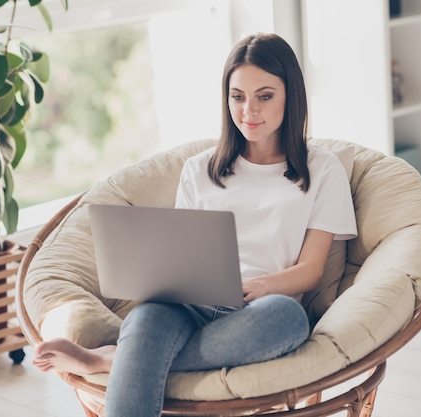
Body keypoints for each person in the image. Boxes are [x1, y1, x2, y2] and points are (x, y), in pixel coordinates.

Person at [32, 32, 357, 416]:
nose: (249, 110)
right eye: (237, 97)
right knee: (146, 316)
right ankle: (135, 347)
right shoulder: (199, 169)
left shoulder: (322, 169)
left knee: (289, 321)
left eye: (264, 96)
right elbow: (183, 253)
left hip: (262, 308)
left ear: (291, 96)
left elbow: (312, 270)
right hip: (188, 304)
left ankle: (114, 358)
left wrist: (257, 286)